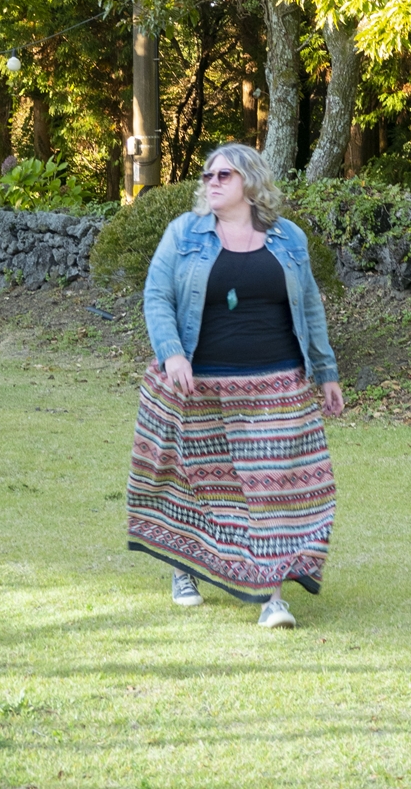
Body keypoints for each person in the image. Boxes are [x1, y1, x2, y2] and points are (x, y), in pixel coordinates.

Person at [126, 143, 343, 629]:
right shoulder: (183, 233)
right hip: (200, 384)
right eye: (208, 175)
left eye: (223, 174)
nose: (212, 181)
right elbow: (156, 295)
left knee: (278, 492)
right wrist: (172, 352)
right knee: (201, 484)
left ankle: (272, 598)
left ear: (249, 181)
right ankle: (186, 568)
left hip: (277, 384)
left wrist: (326, 373)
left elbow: (309, 308)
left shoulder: (289, 238)